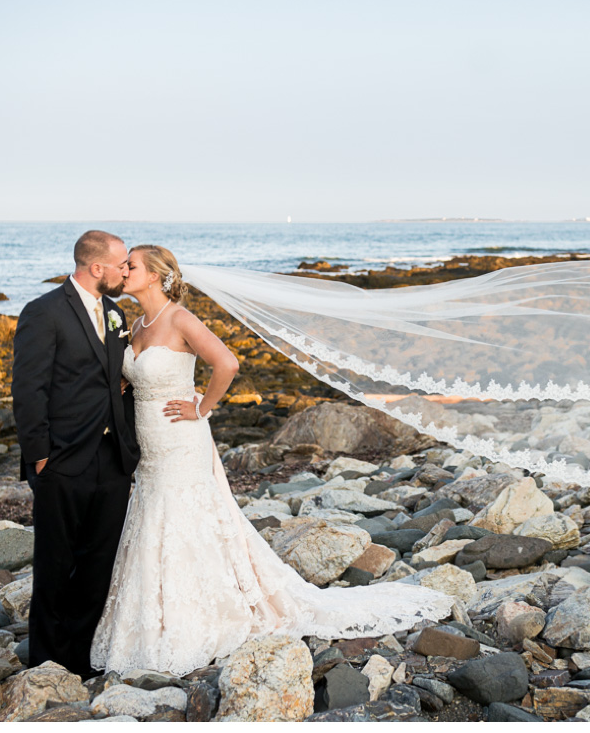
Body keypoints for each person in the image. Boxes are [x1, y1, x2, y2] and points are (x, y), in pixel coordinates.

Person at [89, 245, 455, 676]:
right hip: (148, 443)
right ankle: (155, 619)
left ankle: (203, 617)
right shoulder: (136, 324)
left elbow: (227, 362)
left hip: (182, 439)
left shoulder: (179, 318)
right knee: (153, 517)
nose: (124, 270)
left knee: (184, 517)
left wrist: (201, 407)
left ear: (153, 275)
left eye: (131, 265)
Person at [11, 230, 141, 678]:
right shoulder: (43, 312)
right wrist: (39, 455)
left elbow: (116, 380)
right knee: (55, 564)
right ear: (96, 267)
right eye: (122, 264)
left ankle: (80, 659)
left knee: (97, 563)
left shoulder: (116, 313)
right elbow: (29, 389)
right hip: (63, 459)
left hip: (112, 458)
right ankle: (45, 663)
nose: (126, 270)